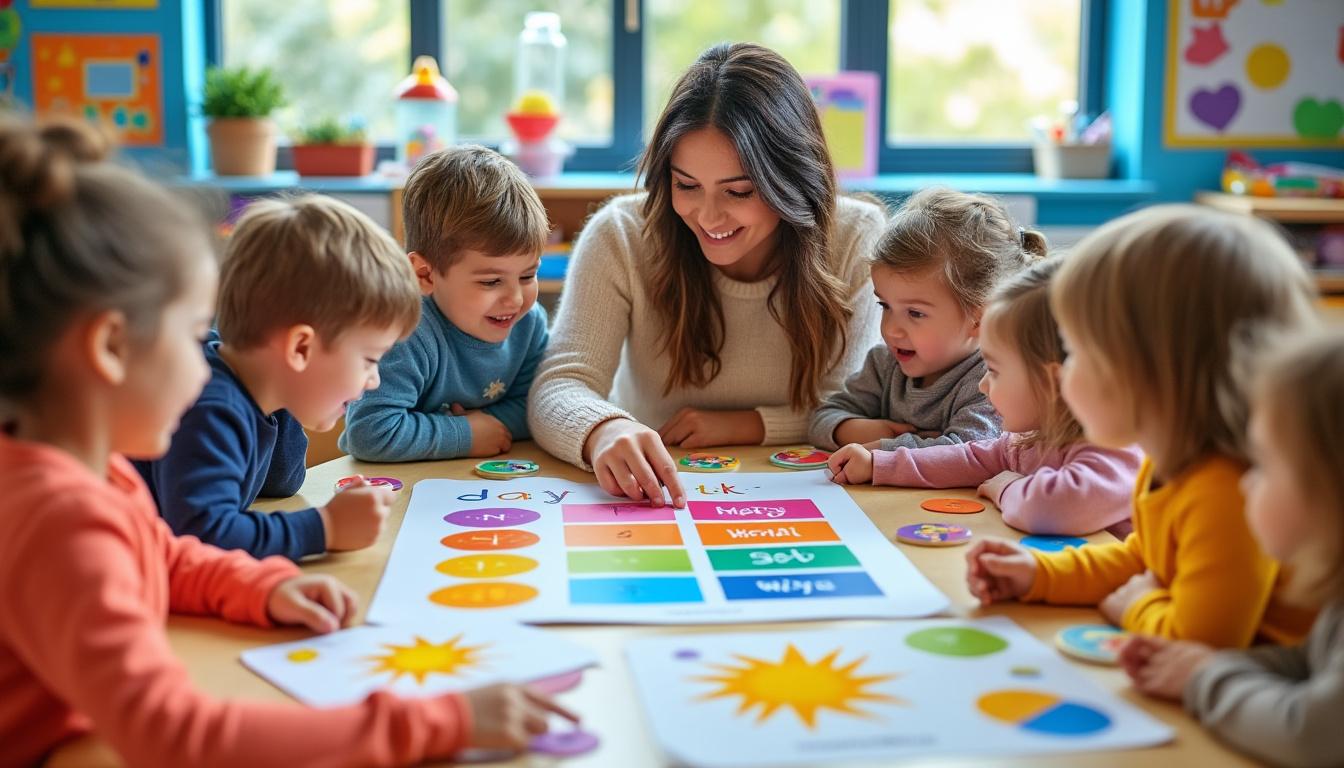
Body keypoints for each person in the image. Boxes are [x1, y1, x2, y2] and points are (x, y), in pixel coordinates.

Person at [528, 43, 886, 507]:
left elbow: (846, 405)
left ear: (791, 178)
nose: (709, 216)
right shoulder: (621, 234)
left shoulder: (856, 236)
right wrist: (604, 429)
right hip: (657, 490)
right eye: (687, 185)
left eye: (739, 191)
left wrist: (746, 425)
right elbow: (559, 383)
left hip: (805, 487)